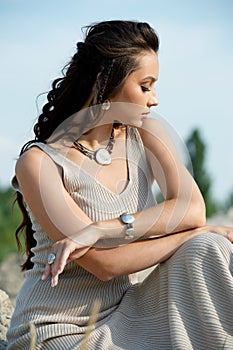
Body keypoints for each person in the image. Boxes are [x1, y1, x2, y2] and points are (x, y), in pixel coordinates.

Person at [7, 20, 233, 350]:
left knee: (209, 249)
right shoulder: (39, 163)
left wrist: (99, 228)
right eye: (145, 86)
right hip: (56, 328)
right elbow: (104, 265)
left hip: (126, 312)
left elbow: (192, 209)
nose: (154, 100)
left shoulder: (147, 134)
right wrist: (194, 233)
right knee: (201, 239)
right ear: (105, 79)